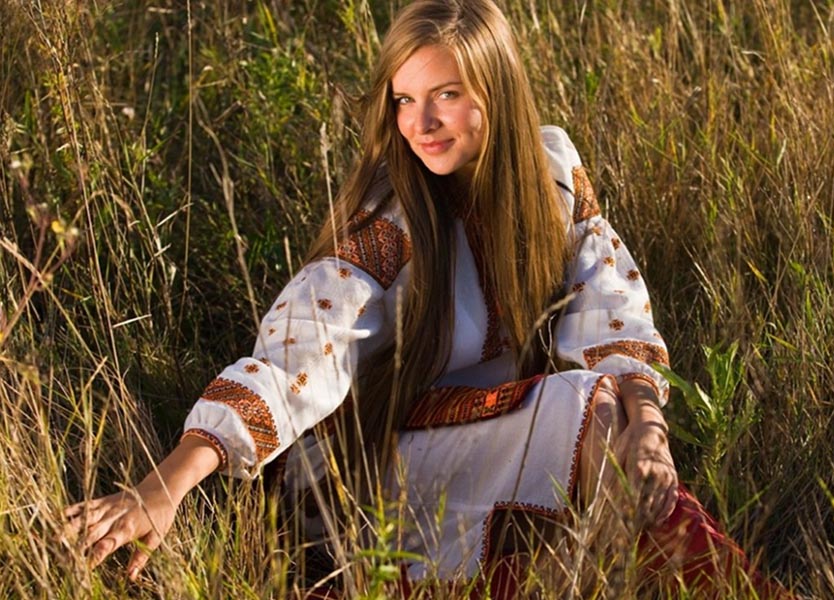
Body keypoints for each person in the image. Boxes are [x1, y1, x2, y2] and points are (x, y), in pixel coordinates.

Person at [65, 0, 794, 597]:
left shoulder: (552, 171)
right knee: (586, 410)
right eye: (406, 99)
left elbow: (613, 306)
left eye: (447, 94)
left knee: (608, 418)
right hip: (359, 479)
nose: (421, 123)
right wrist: (166, 484)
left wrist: (652, 431)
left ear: (497, 93)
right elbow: (298, 354)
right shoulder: (393, 214)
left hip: (493, 441)